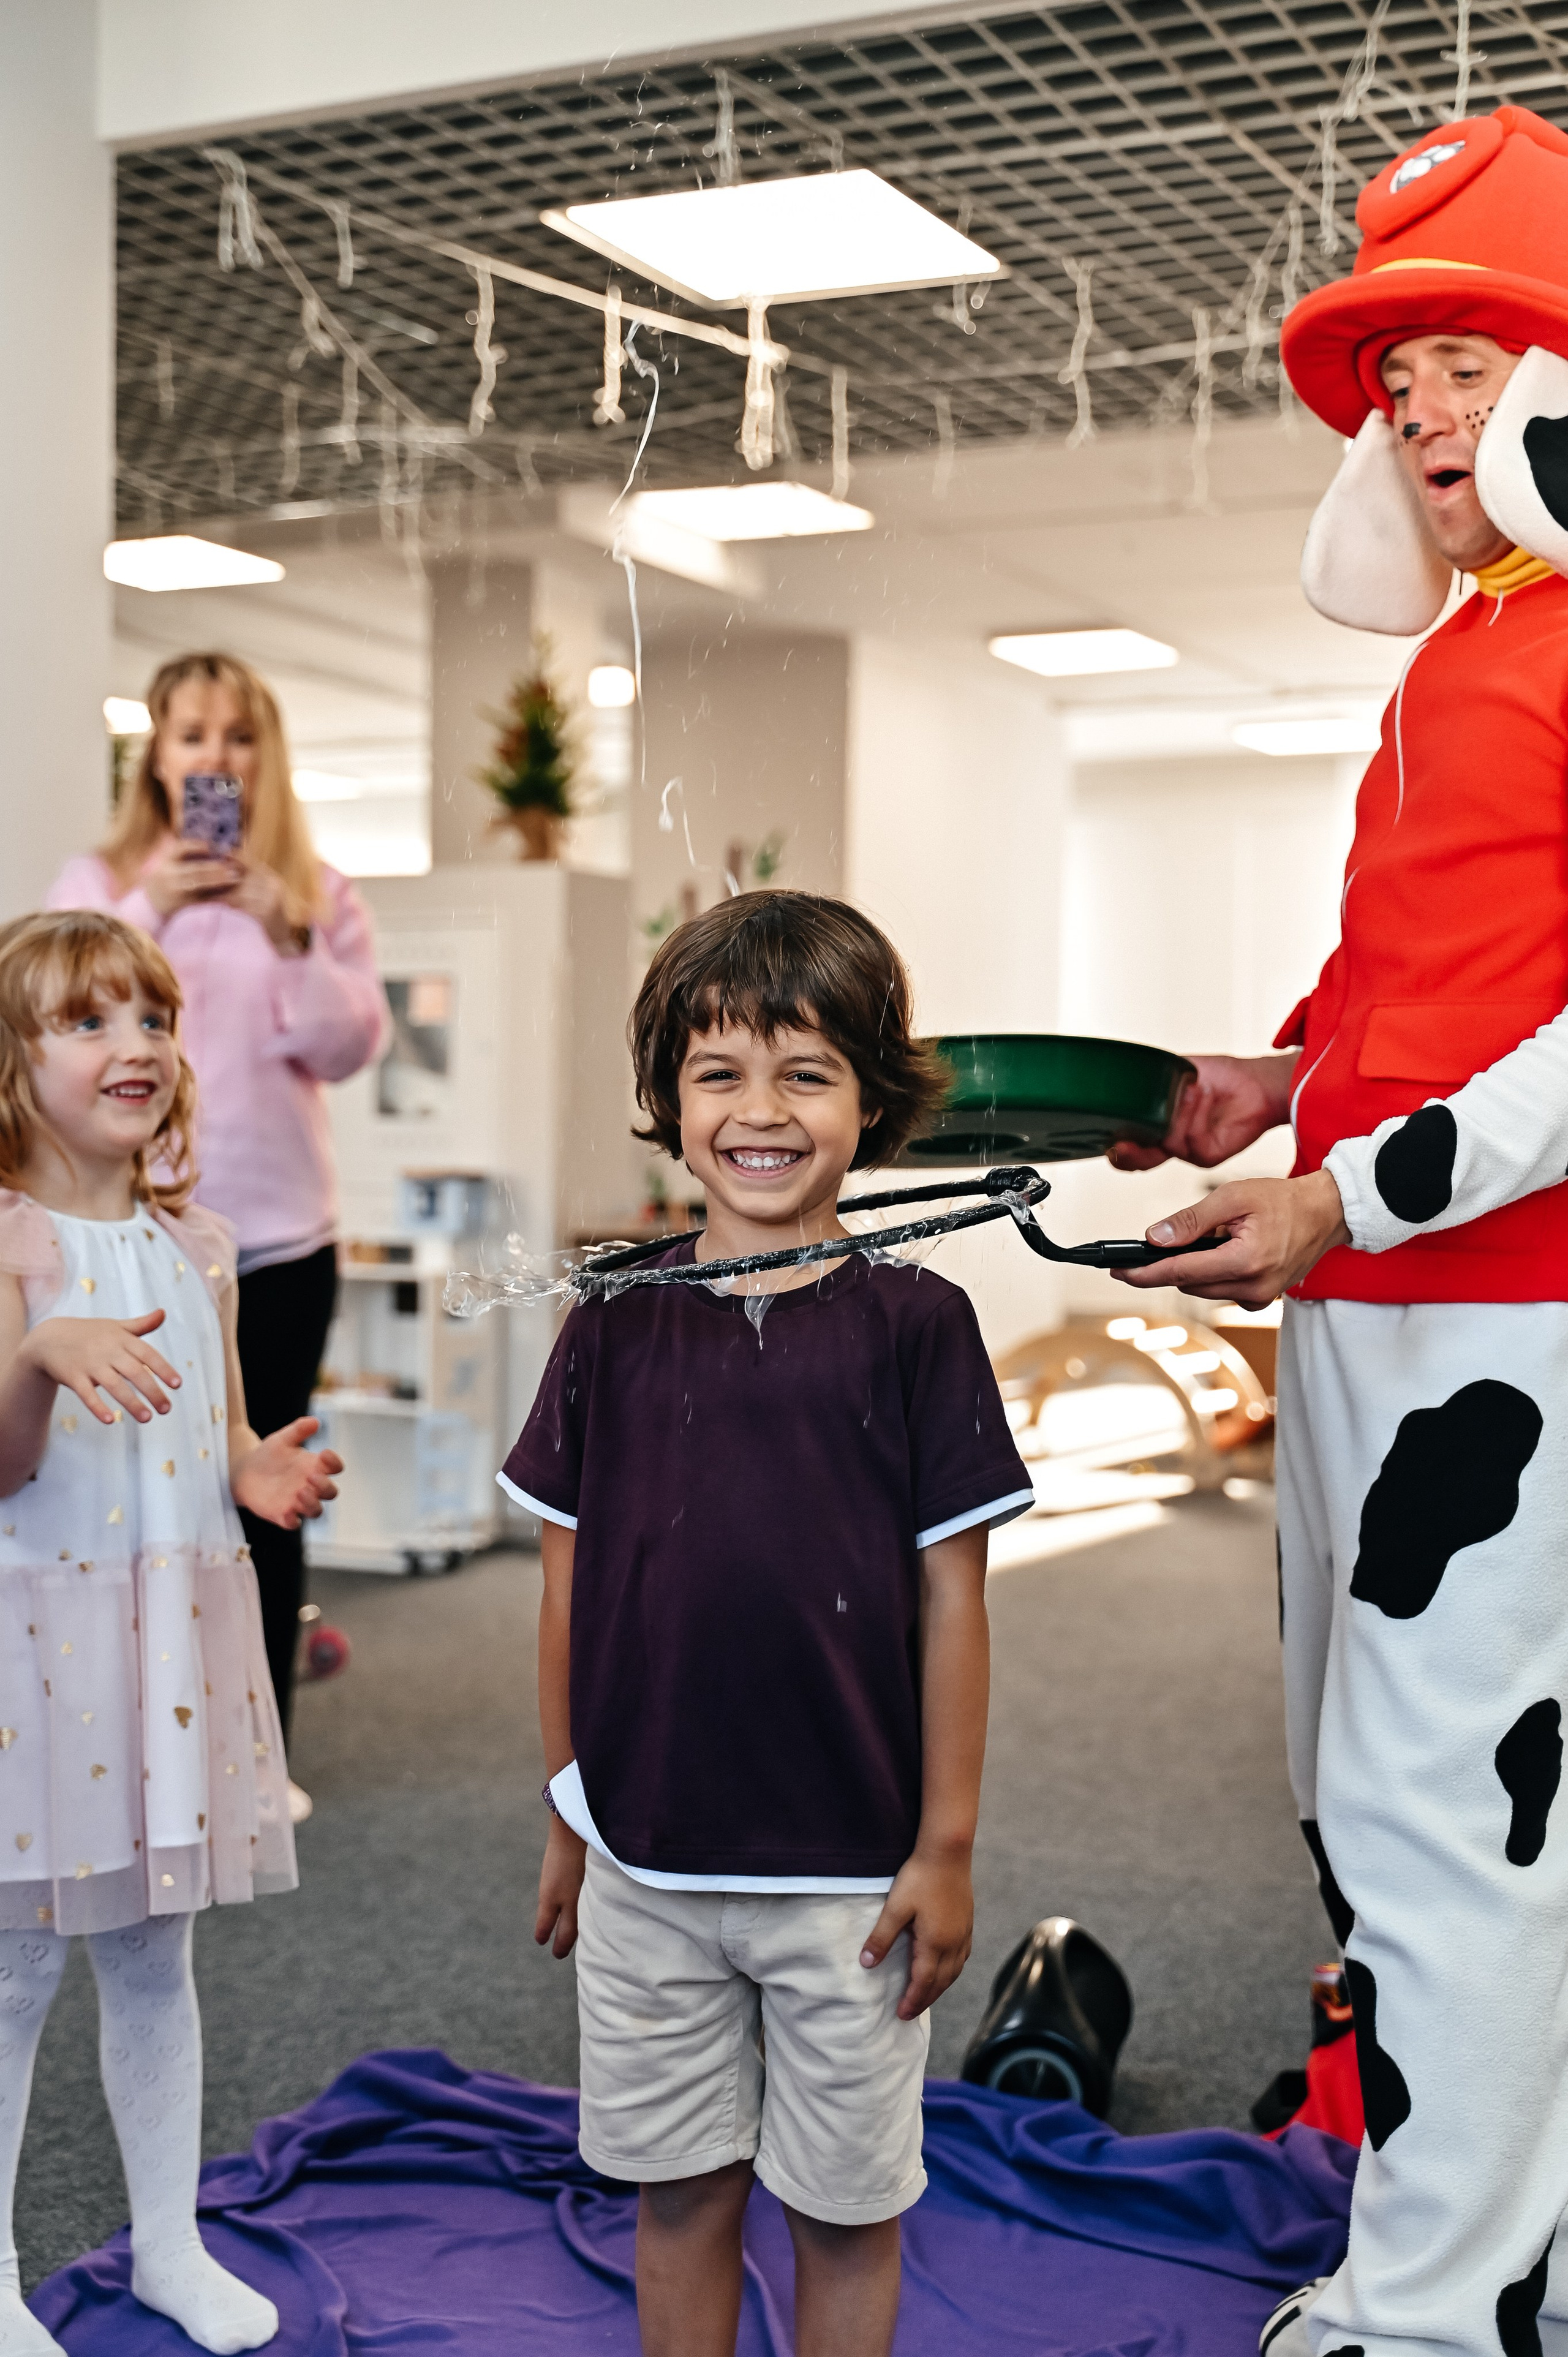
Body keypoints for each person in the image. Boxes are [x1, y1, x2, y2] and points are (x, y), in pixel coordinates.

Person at [1107, 105, 1568, 2357]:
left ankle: (1444, 2308)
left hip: (1507, 1314)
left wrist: (1346, 1185)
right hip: (1381, 1303)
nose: (1415, 403)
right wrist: (1273, 1083)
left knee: (1441, 1821)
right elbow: (1428, 975)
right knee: (1384, 1808)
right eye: (1401, 372)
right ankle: (1492, 2254)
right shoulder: (1456, 659)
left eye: (1464, 354)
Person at [500, 892, 1033, 2357]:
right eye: (718, 1072)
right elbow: (563, 1584)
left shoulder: (918, 1324)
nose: (759, 1111)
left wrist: (943, 1847)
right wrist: (569, 1812)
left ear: (872, 1101)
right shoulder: (607, 1319)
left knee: (847, 2212)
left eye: (805, 1073)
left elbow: (952, 1599)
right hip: (643, 1861)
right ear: (669, 1100)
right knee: (676, 2196)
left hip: (848, 1884)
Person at [0, 909, 342, 2357]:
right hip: (33, 1657)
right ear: (12, 1068)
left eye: (151, 1018)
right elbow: (7, 1464)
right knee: (12, 1968)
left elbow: (218, 1429)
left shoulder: (199, 1244)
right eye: (86, 1022)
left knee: (155, 1955)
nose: (133, 1044)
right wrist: (35, 1354)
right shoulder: (8, 1243)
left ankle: (165, 2243)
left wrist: (255, 1469)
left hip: (162, 1653)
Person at [49, 655, 388, 1816]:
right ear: (156, 751)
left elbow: (347, 1050)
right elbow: (57, 1009)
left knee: (259, 1480)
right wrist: (153, 905)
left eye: (238, 737)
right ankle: (110, 1749)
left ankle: (262, 1760)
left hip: (279, 1235)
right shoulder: (101, 883)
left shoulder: (319, 892)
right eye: (191, 735)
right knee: (116, 1491)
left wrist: (288, 931)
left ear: (266, 753)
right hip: (123, 1231)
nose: (215, 759)